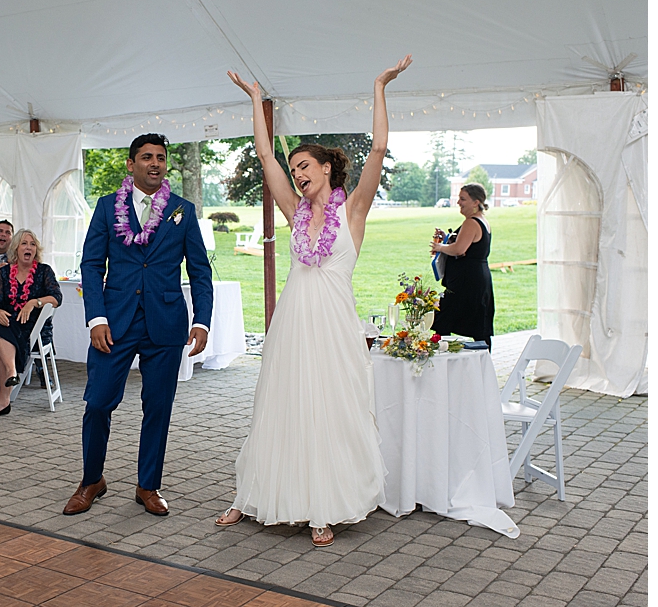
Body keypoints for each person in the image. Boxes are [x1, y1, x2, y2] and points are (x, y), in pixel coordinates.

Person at [219, 55, 411, 547]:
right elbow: (265, 159)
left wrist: (379, 85)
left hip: (334, 327)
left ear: (327, 168)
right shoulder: (294, 211)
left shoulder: (355, 210)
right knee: (279, 407)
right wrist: (256, 101)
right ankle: (254, 494)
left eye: (304, 167)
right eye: (294, 169)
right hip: (292, 324)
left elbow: (380, 149)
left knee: (332, 410)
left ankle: (324, 506)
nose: (297, 174)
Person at [63, 133, 213, 518]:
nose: (155, 163)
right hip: (114, 322)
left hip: (165, 323)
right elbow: (92, 265)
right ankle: (91, 480)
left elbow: (199, 271)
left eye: (160, 157)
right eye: (146, 157)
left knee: (158, 407)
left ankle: (148, 485)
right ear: (131, 164)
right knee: (97, 402)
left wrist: (202, 322)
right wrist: (96, 317)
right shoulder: (105, 208)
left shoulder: (183, 210)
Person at [0, 229, 62, 417]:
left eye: (32, 244)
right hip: (9, 321)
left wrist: (34, 302)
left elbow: (57, 297)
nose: (29, 247)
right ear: (16, 248)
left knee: (0, 336)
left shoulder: (44, 271)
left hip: (35, 327)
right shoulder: (4, 273)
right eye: (24, 243)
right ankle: (11, 373)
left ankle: (4, 397)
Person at [430, 183, 495, 350]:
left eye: (463, 199)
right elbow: (465, 244)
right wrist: (447, 239)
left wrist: (439, 247)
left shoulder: (471, 223)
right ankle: (483, 361)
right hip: (478, 279)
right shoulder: (481, 221)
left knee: (444, 321)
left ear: (476, 202)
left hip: (466, 283)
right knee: (478, 325)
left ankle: (442, 357)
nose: (459, 202)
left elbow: (459, 249)